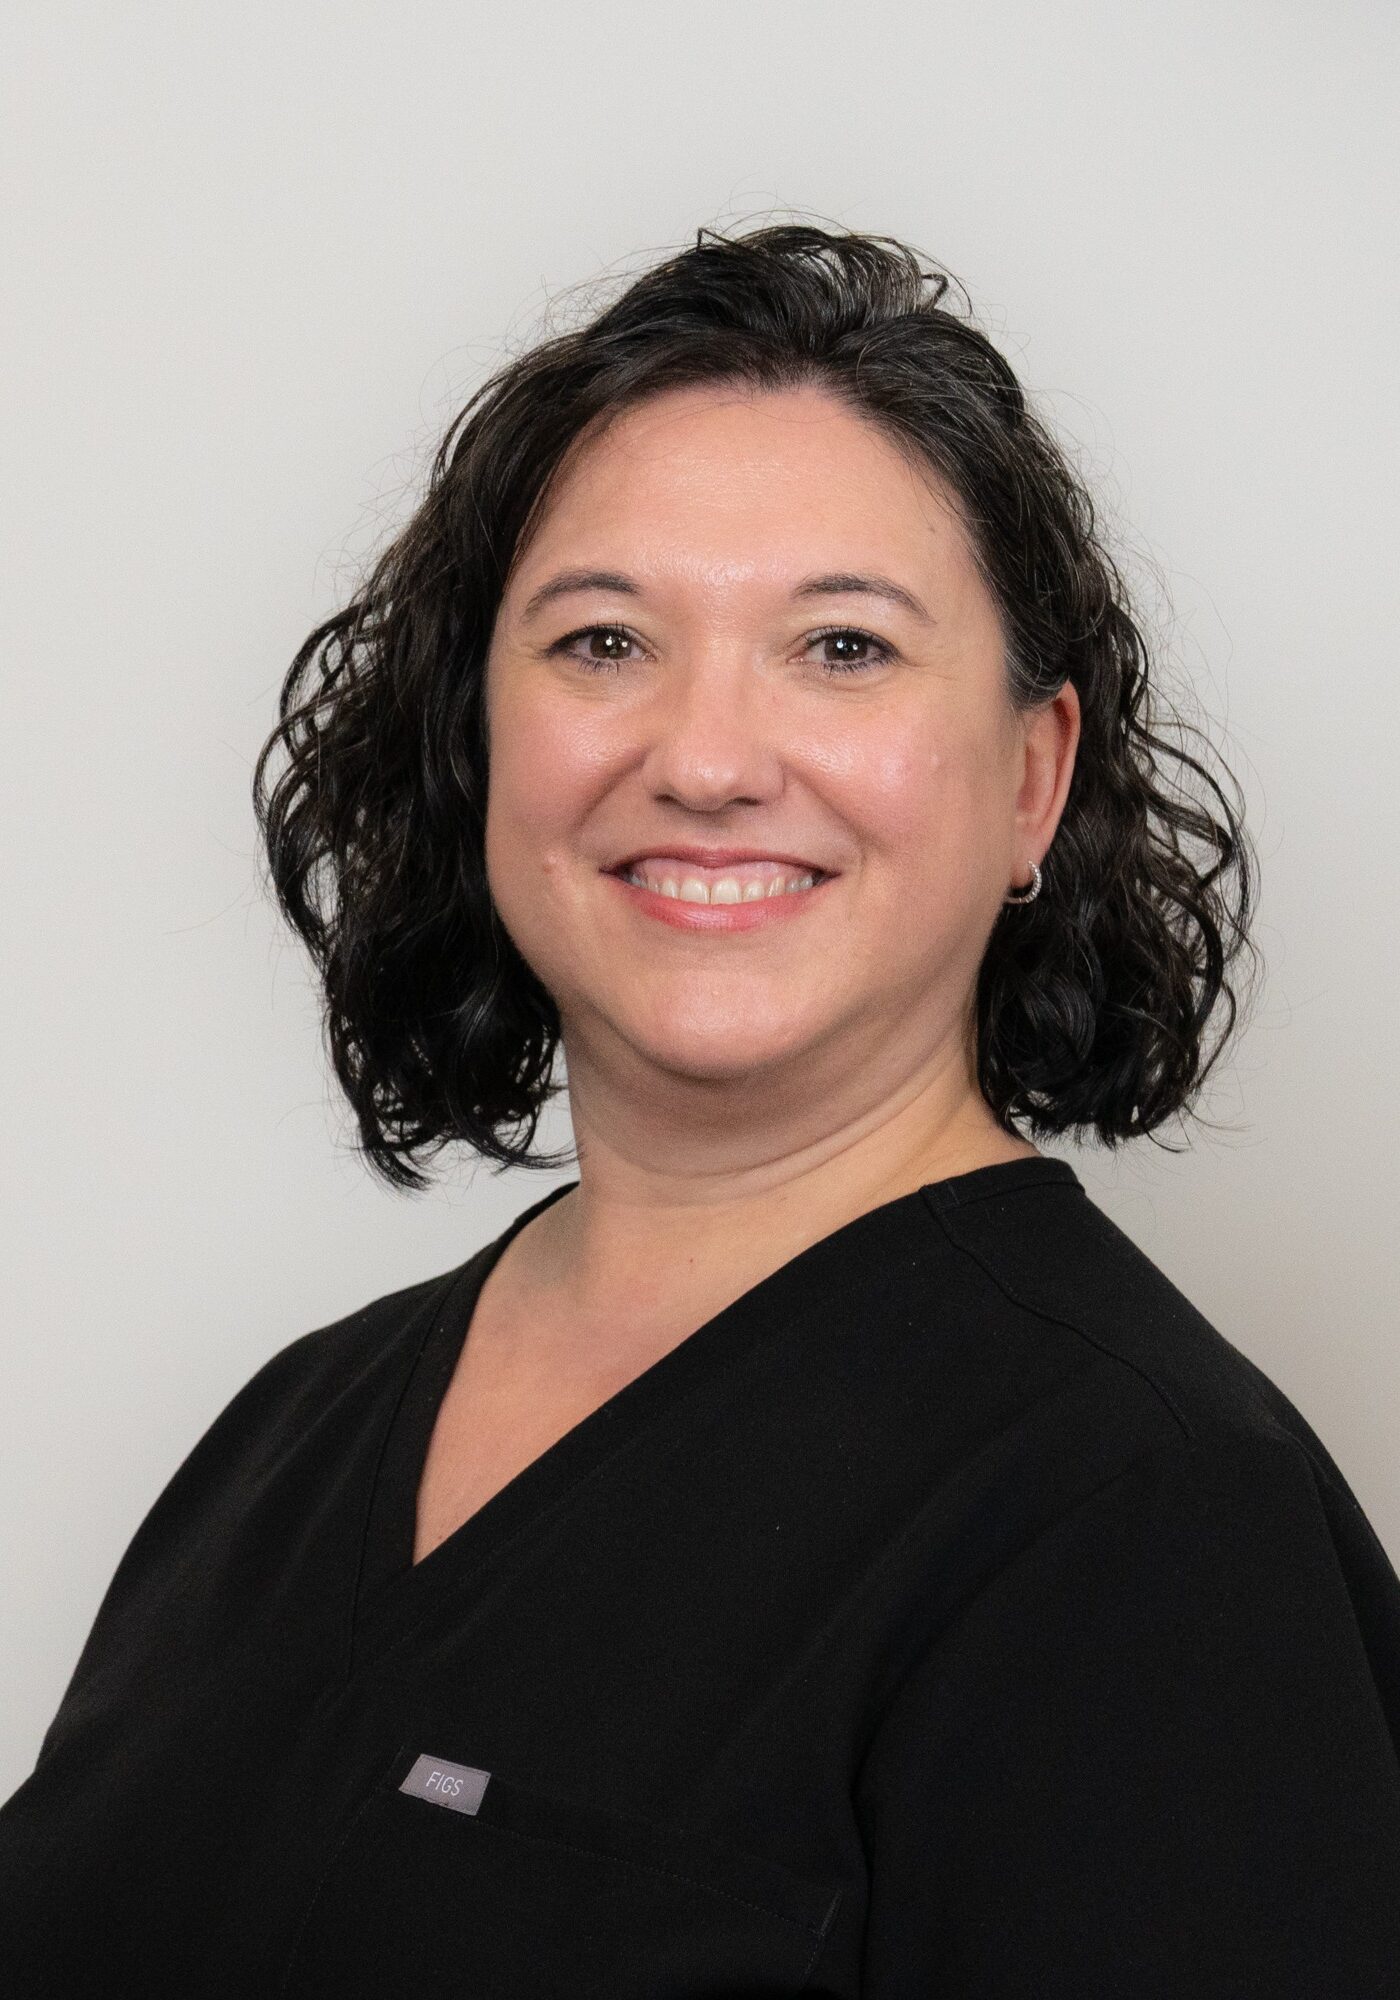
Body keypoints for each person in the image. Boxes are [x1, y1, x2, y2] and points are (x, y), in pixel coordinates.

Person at [2, 221, 1397, 1997]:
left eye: (841, 647)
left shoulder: (1152, 1524)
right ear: (481, 743)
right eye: (601, 641)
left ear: (1033, 778)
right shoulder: (294, 1436)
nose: (710, 757)